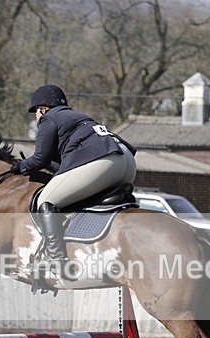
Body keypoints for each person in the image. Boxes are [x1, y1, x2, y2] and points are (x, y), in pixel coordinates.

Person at [12, 85, 137, 268]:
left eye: (36, 112)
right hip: (125, 160)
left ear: (43, 109)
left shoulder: (49, 118)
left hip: (104, 161)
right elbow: (66, 165)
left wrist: (18, 167)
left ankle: (55, 258)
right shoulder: (78, 117)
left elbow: (40, 158)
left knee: (45, 201)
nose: (37, 117)